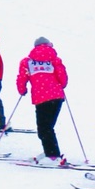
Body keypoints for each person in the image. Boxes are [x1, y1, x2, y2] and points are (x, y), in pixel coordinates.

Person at [16, 36, 70, 164]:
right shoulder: (55, 60)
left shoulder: (27, 62)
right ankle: (50, 152)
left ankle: (52, 155)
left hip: (41, 98)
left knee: (43, 127)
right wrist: (61, 85)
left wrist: (22, 89)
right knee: (48, 126)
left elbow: (22, 77)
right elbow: (63, 78)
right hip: (57, 97)